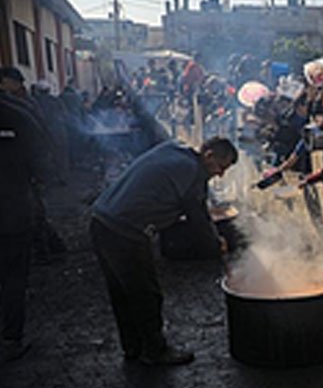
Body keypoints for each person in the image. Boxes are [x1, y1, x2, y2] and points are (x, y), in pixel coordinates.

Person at [90, 137, 238, 365]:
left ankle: (133, 347)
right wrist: (215, 244)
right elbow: (198, 219)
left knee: (121, 292)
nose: (220, 174)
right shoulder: (193, 174)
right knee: (146, 294)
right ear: (208, 156)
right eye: (221, 167)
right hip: (126, 231)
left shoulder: (174, 148)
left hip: (101, 221)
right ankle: (155, 352)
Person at [0, 91, 51, 361]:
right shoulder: (19, 114)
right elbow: (42, 164)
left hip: (13, 210)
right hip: (13, 212)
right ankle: (10, 340)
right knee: (13, 276)